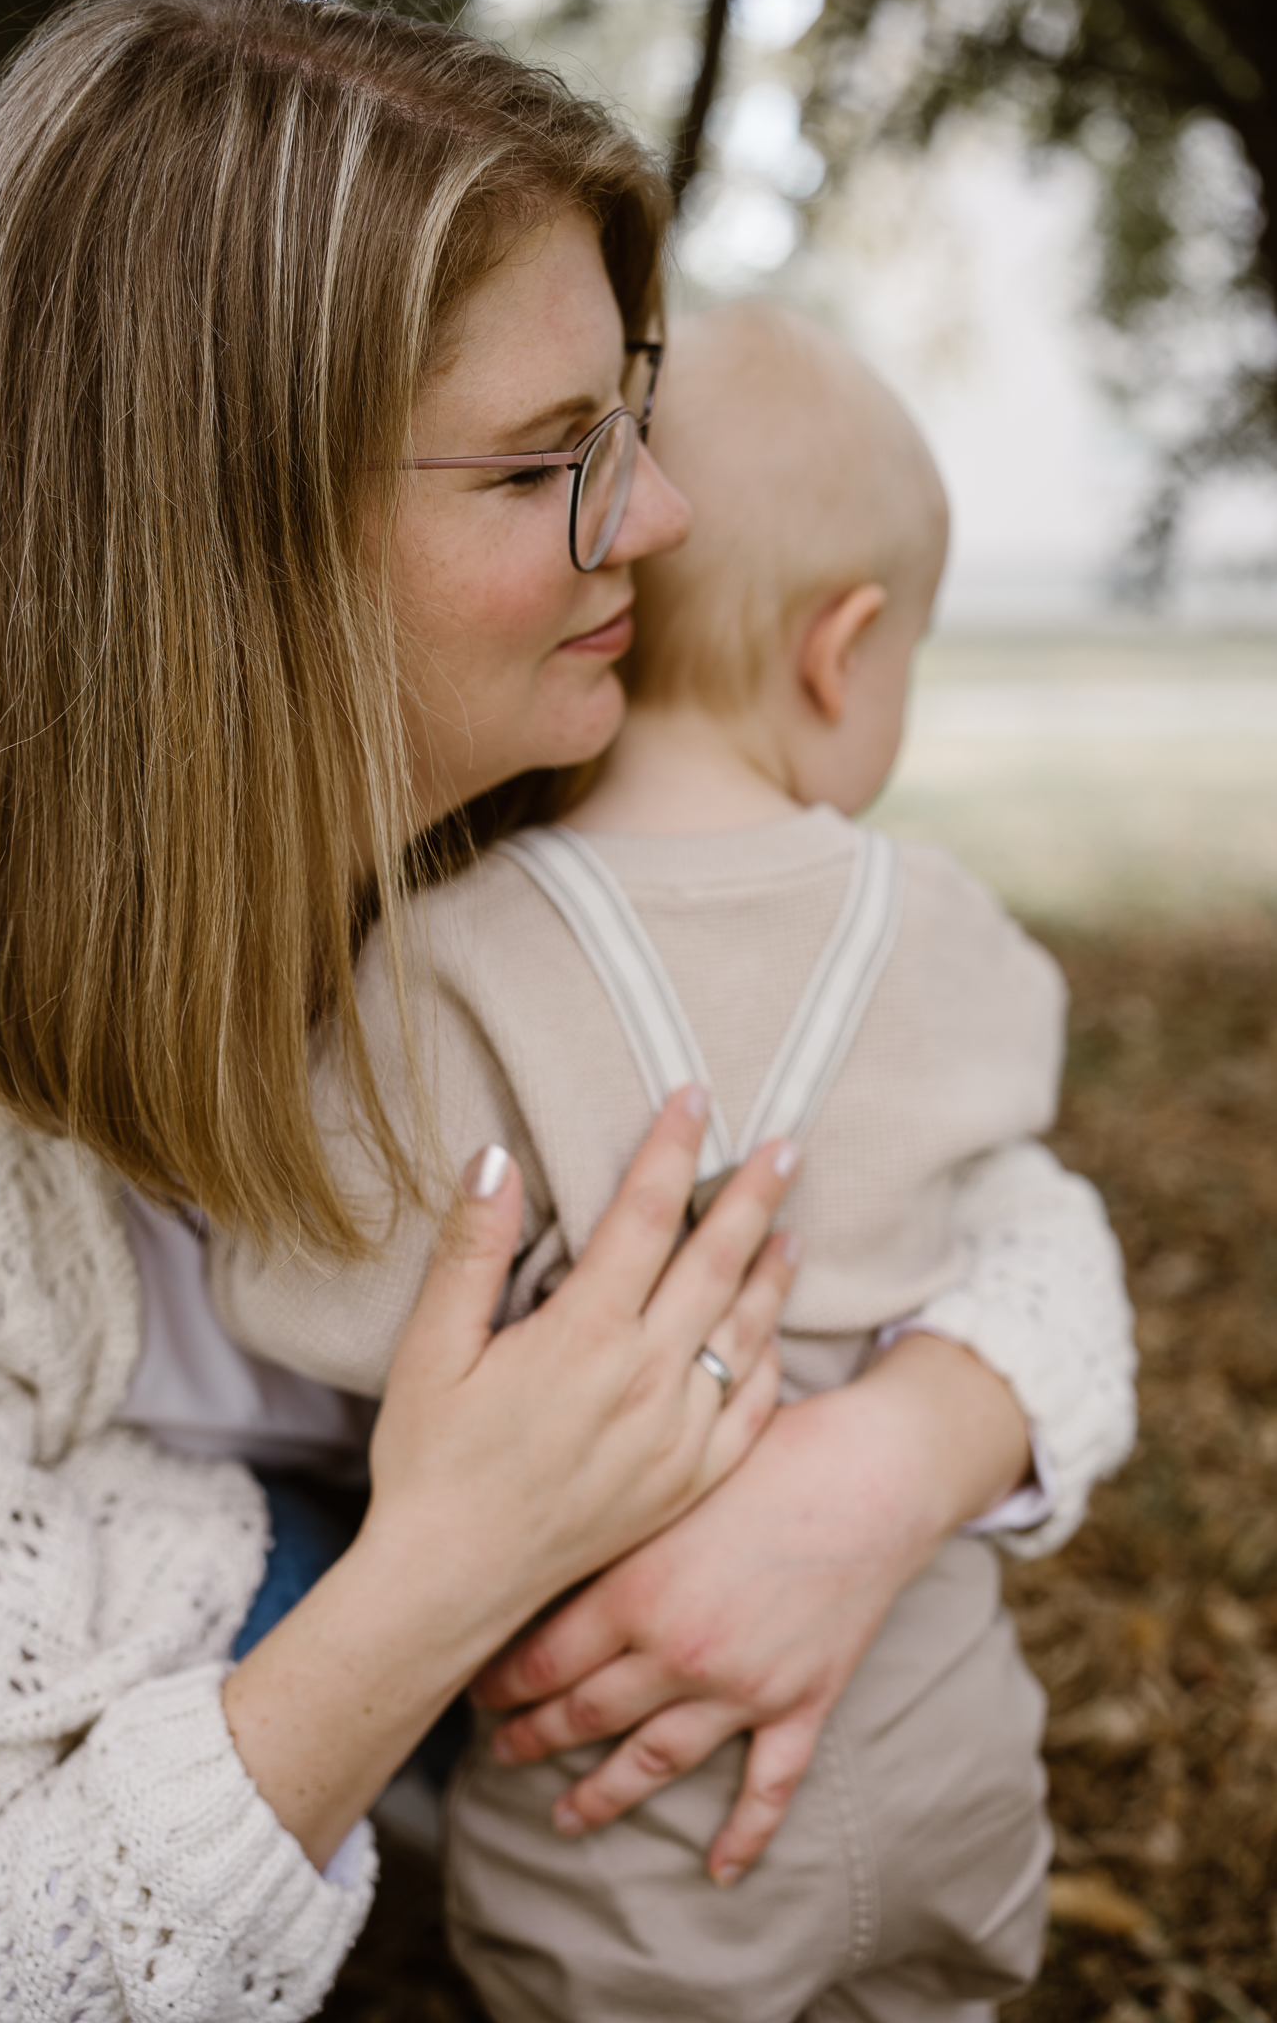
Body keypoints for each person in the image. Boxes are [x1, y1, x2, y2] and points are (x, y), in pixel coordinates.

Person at [0, 0, 1131, 2016]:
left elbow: (1011, 1204)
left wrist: (887, 1462)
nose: (650, 522)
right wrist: (451, 1565)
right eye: (545, 464)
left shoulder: (520, 832)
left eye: (629, 424)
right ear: (220, 541)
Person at [214, 304, 1137, 2021]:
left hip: (624, 1794)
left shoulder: (452, 960)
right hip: (945, 1738)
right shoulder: (949, 932)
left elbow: (311, 1304)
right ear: (841, 651)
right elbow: (1009, 1176)